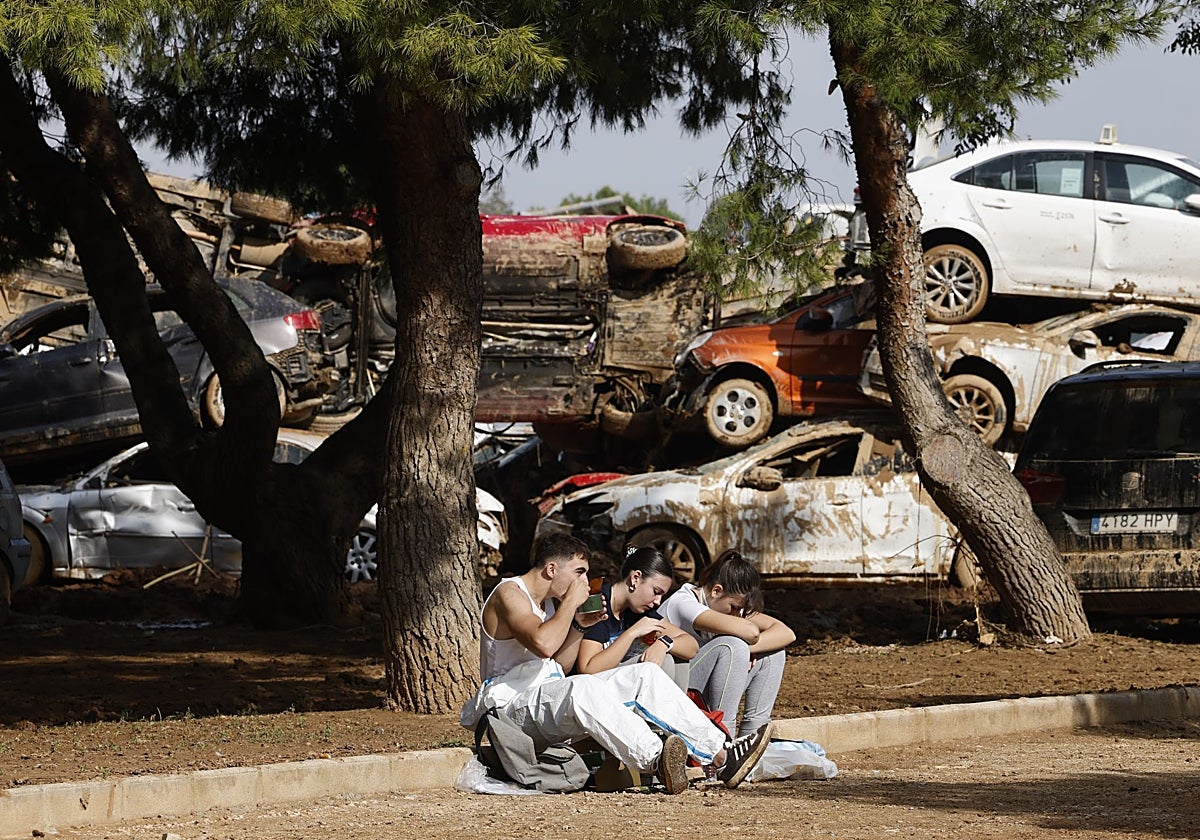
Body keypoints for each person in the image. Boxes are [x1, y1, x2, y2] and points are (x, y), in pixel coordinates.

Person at [461, 533, 773, 792]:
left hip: (545, 698)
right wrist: (571, 604)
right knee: (581, 688)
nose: (585, 581)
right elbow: (543, 644)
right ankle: (658, 759)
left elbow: (557, 664)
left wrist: (580, 627)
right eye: (579, 572)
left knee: (644, 676)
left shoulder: (551, 603)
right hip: (507, 710)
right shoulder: (510, 593)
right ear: (552, 569)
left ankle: (721, 754)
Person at [659, 549, 796, 739]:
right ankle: (723, 739)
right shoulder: (685, 602)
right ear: (716, 591)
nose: (737, 615)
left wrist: (747, 651)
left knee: (772, 654)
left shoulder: (723, 606)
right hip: (673, 689)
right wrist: (739, 649)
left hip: (699, 687)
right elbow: (751, 631)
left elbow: (786, 633)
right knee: (732, 646)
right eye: (734, 608)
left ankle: (753, 739)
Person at [575, 546, 698, 688]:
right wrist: (633, 633)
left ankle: (674, 709)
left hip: (617, 686)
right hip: (589, 689)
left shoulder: (639, 610)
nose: (658, 601)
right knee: (665, 662)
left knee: (677, 658)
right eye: (656, 592)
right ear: (635, 578)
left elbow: (691, 646)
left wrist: (664, 643)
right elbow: (588, 669)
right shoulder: (597, 601)